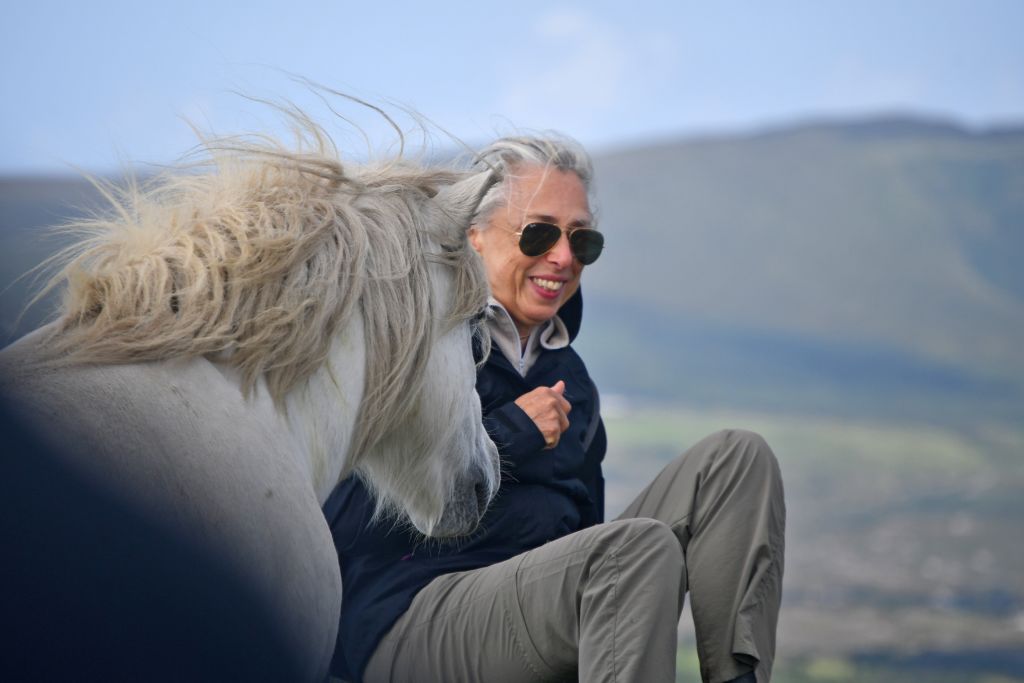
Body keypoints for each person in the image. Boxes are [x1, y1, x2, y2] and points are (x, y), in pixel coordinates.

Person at [325, 136, 786, 683]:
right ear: (474, 232)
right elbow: (341, 524)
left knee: (736, 460)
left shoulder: (574, 382)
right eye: (539, 232)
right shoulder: (414, 349)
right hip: (412, 619)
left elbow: (583, 530)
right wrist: (509, 434)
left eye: (582, 241)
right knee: (633, 550)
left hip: (532, 616)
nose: (563, 257)